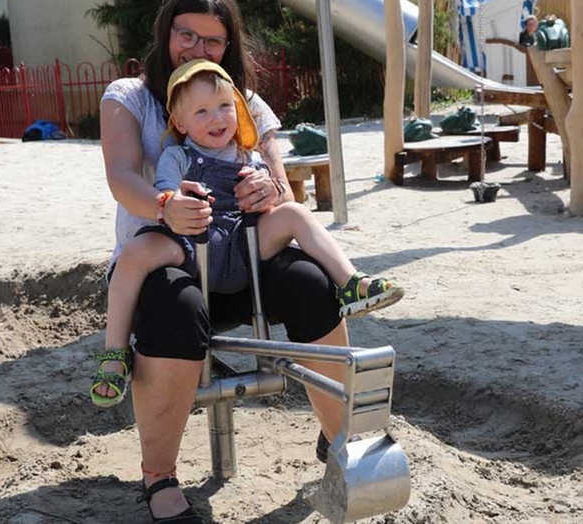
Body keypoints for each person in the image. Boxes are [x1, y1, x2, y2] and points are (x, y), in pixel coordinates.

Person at [98, 0, 359, 521]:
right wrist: (166, 206)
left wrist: (268, 188)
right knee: (177, 301)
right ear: (164, 34)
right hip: (169, 256)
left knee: (309, 282)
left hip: (239, 252)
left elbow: (283, 190)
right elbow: (122, 176)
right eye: (186, 35)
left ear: (229, 46)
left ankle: (340, 437)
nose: (197, 47)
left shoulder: (245, 102)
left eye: (212, 40)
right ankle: (159, 475)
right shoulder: (130, 97)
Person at [90, 59, 403, 408]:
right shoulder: (176, 156)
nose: (217, 118)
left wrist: (264, 186)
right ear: (179, 122)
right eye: (202, 111)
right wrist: (174, 199)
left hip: (243, 240)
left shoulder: (246, 154)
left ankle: (350, 282)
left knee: (295, 213)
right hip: (194, 242)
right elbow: (166, 194)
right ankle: (114, 352)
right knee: (136, 253)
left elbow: (272, 195)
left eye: (225, 106)